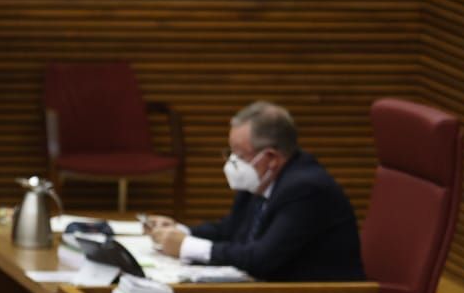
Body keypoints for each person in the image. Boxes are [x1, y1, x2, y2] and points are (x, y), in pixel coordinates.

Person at [145, 102, 365, 282]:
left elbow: (262, 258)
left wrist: (187, 246)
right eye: (230, 152)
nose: (232, 163)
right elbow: (230, 229)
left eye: (239, 155)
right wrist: (179, 231)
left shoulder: (307, 189)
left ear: (271, 158)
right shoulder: (261, 179)